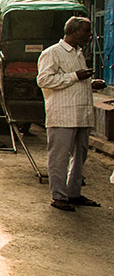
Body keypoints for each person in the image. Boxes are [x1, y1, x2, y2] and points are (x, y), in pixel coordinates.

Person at [37, 17, 106, 211]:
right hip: (62, 114)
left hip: (81, 113)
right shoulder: (52, 53)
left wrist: (89, 83)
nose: (89, 35)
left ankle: (73, 193)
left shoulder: (78, 53)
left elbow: (71, 82)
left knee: (80, 155)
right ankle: (58, 196)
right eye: (86, 31)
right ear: (73, 31)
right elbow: (44, 80)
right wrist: (76, 76)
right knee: (60, 157)